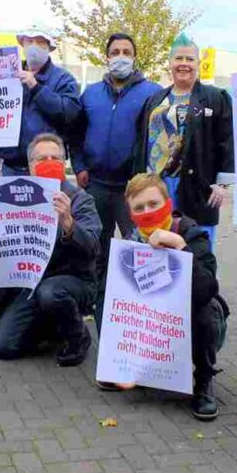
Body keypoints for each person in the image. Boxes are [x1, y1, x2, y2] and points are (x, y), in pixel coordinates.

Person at [0, 133, 101, 366]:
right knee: (1, 346)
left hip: (72, 282)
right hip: (31, 281)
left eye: (55, 157)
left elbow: (93, 247)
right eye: (42, 158)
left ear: (64, 163)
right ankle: (50, 326)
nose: (49, 162)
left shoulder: (81, 200)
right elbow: (1, 246)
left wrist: (69, 224)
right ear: (31, 166)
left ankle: (78, 337)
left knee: (50, 294)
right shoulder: (16, 195)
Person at [113, 173, 228, 420]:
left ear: (169, 204)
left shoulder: (192, 234)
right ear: (131, 215)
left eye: (153, 204)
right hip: (158, 321)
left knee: (205, 313)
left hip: (194, 315)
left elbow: (206, 290)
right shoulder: (132, 242)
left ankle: (204, 380)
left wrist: (180, 247)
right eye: (139, 208)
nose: (147, 212)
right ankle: (138, 366)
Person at [71, 33, 162, 330]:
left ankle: (145, 309)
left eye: (126, 51)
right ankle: (94, 304)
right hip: (96, 183)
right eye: (114, 51)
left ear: (134, 57)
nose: (120, 56)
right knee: (95, 248)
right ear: (106, 57)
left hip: (132, 188)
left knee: (143, 248)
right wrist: (80, 165)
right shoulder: (91, 94)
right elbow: (76, 133)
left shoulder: (152, 93)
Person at [134, 33, 233, 250]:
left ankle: (200, 284)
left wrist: (223, 183)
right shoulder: (155, 100)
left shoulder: (216, 97)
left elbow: (227, 140)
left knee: (196, 247)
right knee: (157, 244)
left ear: (198, 63)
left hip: (197, 186)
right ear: (170, 63)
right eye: (179, 58)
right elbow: (141, 142)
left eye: (190, 59)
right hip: (156, 186)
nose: (184, 64)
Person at [0, 27, 81, 176]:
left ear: (49, 47)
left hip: (46, 165)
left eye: (40, 42)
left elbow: (68, 112)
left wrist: (36, 87)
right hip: (11, 166)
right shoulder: (7, 75)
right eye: (29, 41)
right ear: (22, 44)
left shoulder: (64, 79)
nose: (34, 46)